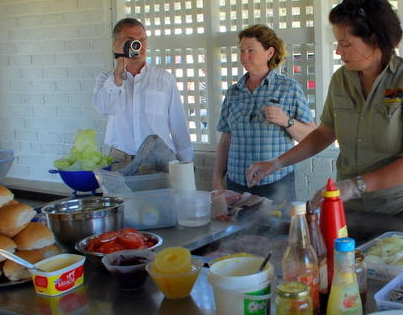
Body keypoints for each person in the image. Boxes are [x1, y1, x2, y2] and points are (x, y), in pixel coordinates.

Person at [246, 0, 403, 217]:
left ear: (374, 40)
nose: (338, 51)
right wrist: (276, 163)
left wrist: (355, 186)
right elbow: (324, 133)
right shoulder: (342, 79)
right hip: (350, 207)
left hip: (400, 208)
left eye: (345, 44)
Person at [212, 24, 315, 203]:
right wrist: (216, 178)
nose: (244, 57)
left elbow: (312, 136)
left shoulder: (289, 88)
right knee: (236, 231)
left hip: (276, 184)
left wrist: (286, 121)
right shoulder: (233, 92)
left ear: (269, 53)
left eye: (251, 50)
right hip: (236, 183)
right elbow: (226, 139)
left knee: (277, 230)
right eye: (242, 51)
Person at [92, 18, 193, 170]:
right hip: (121, 159)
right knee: (121, 195)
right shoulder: (106, 79)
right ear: (116, 44)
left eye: (142, 40)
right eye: (130, 40)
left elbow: (178, 125)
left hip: (159, 159)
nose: (138, 45)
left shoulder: (164, 79)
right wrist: (119, 71)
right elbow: (104, 108)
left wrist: (187, 165)